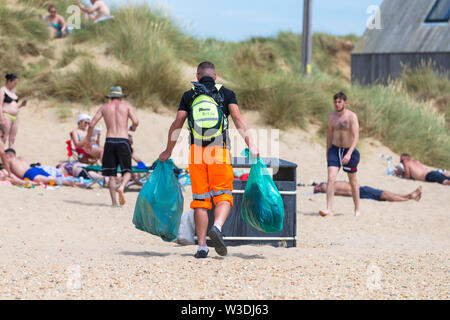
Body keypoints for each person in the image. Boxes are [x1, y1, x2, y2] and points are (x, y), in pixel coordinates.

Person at [159, 61, 259, 259]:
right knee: (223, 195)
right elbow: (238, 118)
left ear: (197, 76)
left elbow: (178, 122)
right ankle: (217, 227)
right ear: (215, 76)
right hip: (219, 149)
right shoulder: (226, 94)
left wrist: (168, 150)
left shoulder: (189, 95)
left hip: (196, 151)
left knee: (200, 200)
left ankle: (202, 246)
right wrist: (251, 145)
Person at [86, 86, 139, 207]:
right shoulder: (126, 107)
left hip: (109, 141)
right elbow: (136, 122)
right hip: (123, 140)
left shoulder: (104, 108)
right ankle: (122, 187)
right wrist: (132, 128)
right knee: (127, 171)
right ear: (121, 96)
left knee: (111, 175)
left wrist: (88, 141)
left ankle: (114, 203)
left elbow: (91, 125)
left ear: (110, 96)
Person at [320, 91, 361, 217]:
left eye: (339, 102)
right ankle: (329, 209)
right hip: (335, 150)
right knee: (331, 178)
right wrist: (327, 151)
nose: (337, 104)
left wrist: (348, 154)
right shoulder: (331, 117)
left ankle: (357, 209)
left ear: (345, 103)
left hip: (349, 151)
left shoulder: (351, 117)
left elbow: (356, 137)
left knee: (352, 180)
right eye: (335, 102)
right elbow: (330, 135)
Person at [4, 149, 80, 187]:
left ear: (8, 155)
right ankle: (74, 181)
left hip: (29, 173)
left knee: (48, 180)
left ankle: (68, 182)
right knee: (51, 177)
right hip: (36, 169)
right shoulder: (21, 158)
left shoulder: (9, 160)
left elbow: (8, 172)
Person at [314, 181, 422, 202]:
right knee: (385, 194)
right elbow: (322, 189)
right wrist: (318, 188)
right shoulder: (327, 186)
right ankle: (409, 197)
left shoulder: (331, 186)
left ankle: (409, 196)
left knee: (386, 194)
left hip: (360, 191)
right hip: (360, 191)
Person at [0, 74, 27, 149]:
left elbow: (14, 105)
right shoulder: (2, 90)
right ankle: (1, 156)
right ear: (9, 81)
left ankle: (10, 157)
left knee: (12, 139)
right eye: (14, 83)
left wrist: (21, 105)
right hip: (6, 115)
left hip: (15, 117)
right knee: (4, 137)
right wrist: (2, 119)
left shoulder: (13, 92)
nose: (15, 85)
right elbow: (0, 105)